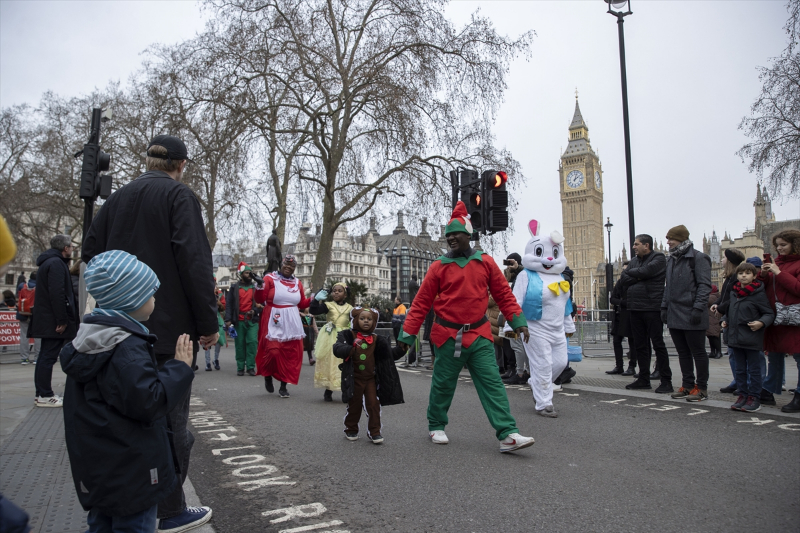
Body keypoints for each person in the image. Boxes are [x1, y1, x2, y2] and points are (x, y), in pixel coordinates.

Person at [82, 135, 217, 530]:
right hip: (170, 330)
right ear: (181, 164)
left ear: (148, 160)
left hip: (118, 327)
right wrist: (207, 324)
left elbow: (91, 252)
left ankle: (130, 506)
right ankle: (169, 509)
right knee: (172, 423)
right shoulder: (179, 196)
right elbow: (194, 261)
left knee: (128, 421)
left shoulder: (117, 199)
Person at [61, 250, 198, 533]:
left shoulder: (88, 340)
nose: (154, 299)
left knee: (101, 525)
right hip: (133, 473)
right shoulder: (127, 347)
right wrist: (179, 368)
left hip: (99, 468)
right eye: (150, 294)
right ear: (131, 299)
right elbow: (149, 401)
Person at [397, 201, 534, 453]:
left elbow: (504, 294)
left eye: (455, 234)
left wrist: (518, 321)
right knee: (443, 384)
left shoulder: (486, 262)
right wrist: (407, 335)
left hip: (479, 335)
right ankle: (436, 425)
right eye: (448, 235)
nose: (450, 238)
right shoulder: (438, 267)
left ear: (468, 235)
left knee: (492, 384)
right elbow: (421, 303)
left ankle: (507, 434)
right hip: (447, 336)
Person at [333, 307, 407, 444]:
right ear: (356, 320)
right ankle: (351, 428)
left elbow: (389, 355)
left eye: (369, 319)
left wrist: (401, 349)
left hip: (371, 379)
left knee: (373, 405)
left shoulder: (378, 339)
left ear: (374, 322)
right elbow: (337, 349)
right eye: (362, 318)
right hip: (354, 378)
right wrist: (350, 349)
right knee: (354, 405)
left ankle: (375, 431)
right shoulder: (347, 335)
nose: (366, 321)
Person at [662, 225, 712, 402]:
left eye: (671, 239)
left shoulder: (698, 258)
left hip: (692, 312)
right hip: (675, 312)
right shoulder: (671, 260)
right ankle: (687, 385)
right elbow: (668, 287)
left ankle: (702, 388)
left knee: (698, 352)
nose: (668, 242)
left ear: (682, 239)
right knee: (683, 352)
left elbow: (704, 286)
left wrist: (698, 308)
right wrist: (664, 307)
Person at [718, 262, 774, 412]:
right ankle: (742, 395)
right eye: (741, 273)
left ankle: (754, 397)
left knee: (754, 370)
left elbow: (769, 313)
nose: (744, 276)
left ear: (754, 276)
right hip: (735, 338)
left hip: (752, 338)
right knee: (740, 370)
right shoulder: (733, 293)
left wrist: (761, 322)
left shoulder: (758, 294)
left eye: (748, 273)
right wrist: (724, 321)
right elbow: (729, 311)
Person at [29, 234, 77, 408]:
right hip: (52, 319)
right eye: (71, 246)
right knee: (48, 357)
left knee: (45, 356)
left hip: (47, 317)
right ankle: (45, 394)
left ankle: (42, 393)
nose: (72, 249)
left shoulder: (48, 262)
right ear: (65, 248)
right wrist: (62, 319)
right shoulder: (57, 264)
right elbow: (58, 293)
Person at [255, 255, 312, 398]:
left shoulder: (297, 283)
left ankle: (283, 386)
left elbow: (302, 303)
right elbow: (260, 299)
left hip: (292, 321)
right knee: (273, 351)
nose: (289, 267)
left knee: (290, 354)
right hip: (274, 318)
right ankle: (267, 374)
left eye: (292, 266)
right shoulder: (270, 279)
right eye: (286, 264)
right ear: (281, 264)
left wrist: (314, 299)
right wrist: (260, 286)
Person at [620, 234, 670, 392]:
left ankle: (666, 381)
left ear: (646, 245)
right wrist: (640, 276)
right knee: (640, 345)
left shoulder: (659, 258)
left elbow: (647, 271)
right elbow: (623, 279)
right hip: (635, 308)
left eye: (636, 244)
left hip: (652, 307)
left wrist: (637, 274)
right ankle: (643, 379)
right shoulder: (634, 261)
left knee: (658, 345)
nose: (634, 247)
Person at [759, 229, 800, 413]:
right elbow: (766, 287)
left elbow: (797, 288)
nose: (779, 248)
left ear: (795, 244)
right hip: (777, 317)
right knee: (774, 355)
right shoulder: (778, 263)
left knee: (799, 356)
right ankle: (768, 390)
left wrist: (778, 273)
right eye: (777, 245)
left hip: (795, 318)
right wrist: (763, 275)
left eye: (784, 244)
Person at [310, 283, 354, 401]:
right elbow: (313, 310)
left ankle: (345, 389)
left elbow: (355, 322)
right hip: (330, 337)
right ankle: (328, 389)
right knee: (330, 361)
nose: (336, 293)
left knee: (344, 362)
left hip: (344, 337)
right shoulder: (328, 305)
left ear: (345, 295)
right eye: (334, 291)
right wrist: (316, 300)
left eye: (339, 291)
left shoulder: (350, 308)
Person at [713, 248, 746, 393]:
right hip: (728, 316)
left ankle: (743, 383)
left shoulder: (737, 277)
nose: (721, 260)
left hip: (734, 317)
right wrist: (717, 304)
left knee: (738, 353)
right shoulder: (729, 277)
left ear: (730, 261)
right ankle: (737, 381)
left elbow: (734, 298)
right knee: (732, 352)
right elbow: (723, 296)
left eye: (724, 258)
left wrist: (720, 307)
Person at [224, 263, 260, 376]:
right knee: (240, 344)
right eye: (247, 273)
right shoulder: (234, 288)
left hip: (252, 320)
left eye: (250, 273)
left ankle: (250, 367)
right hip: (238, 320)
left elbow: (261, 302)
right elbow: (229, 304)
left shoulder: (255, 287)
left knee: (252, 343)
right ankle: (240, 367)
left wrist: (255, 310)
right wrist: (228, 319)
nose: (249, 275)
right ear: (241, 274)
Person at [502, 254, 530, 385]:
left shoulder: (522, 276)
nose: (508, 267)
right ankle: (526, 372)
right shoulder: (518, 277)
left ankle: (520, 373)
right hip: (520, 317)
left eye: (510, 264)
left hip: (518, 317)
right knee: (521, 347)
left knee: (518, 346)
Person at [607, 261, 634, 375]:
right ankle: (619, 366)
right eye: (623, 270)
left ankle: (632, 366)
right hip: (618, 315)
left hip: (630, 316)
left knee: (632, 342)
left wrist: (621, 302)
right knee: (616, 341)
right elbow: (612, 299)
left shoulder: (633, 283)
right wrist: (622, 302)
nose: (624, 272)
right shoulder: (619, 283)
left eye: (626, 269)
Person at [17, 271, 40, 365]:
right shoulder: (40, 286)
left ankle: (24, 358)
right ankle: (37, 358)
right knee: (38, 336)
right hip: (36, 314)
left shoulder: (22, 286)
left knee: (24, 336)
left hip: (23, 313)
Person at [205, 286, 227, 371]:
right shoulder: (203, 292)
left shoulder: (220, 294)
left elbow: (223, 308)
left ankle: (216, 359)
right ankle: (207, 363)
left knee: (219, 340)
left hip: (218, 319)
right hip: (207, 318)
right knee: (207, 341)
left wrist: (218, 303)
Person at [706, 285, 722, 359]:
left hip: (713, 320)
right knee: (711, 336)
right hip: (711, 319)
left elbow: (706, 302)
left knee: (714, 337)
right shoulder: (716, 296)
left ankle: (718, 352)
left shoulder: (713, 296)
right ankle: (713, 352)